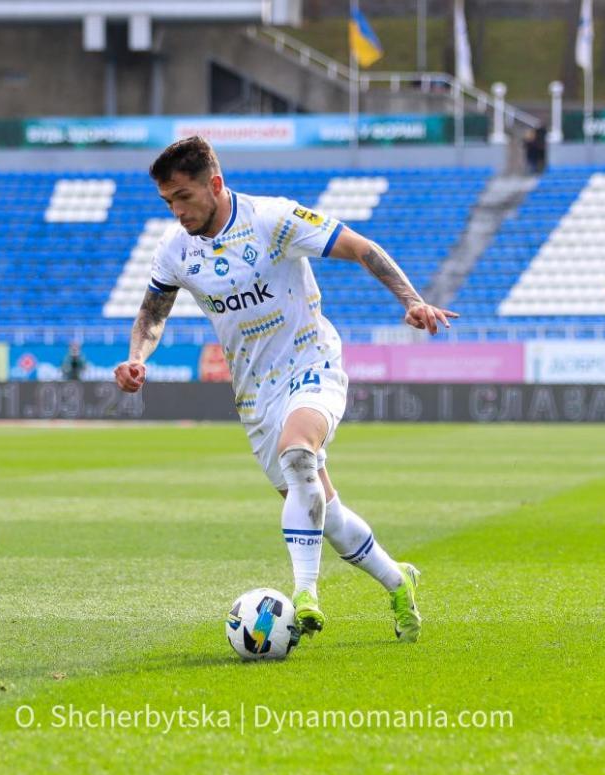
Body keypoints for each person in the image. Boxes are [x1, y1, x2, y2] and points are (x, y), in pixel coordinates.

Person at [114, 137, 458, 643]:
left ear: (215, 184)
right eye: (168, 202)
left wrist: (412, 300)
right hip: (254, 394)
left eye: (183, 197)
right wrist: (137, 358)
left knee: (298, 453)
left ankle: (305, 595)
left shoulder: (272, 219)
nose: (177, 211)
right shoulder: (175, 249)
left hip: (311, 362)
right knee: (324, 511)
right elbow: (152, 312)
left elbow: (360, 247)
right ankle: (396, 580)